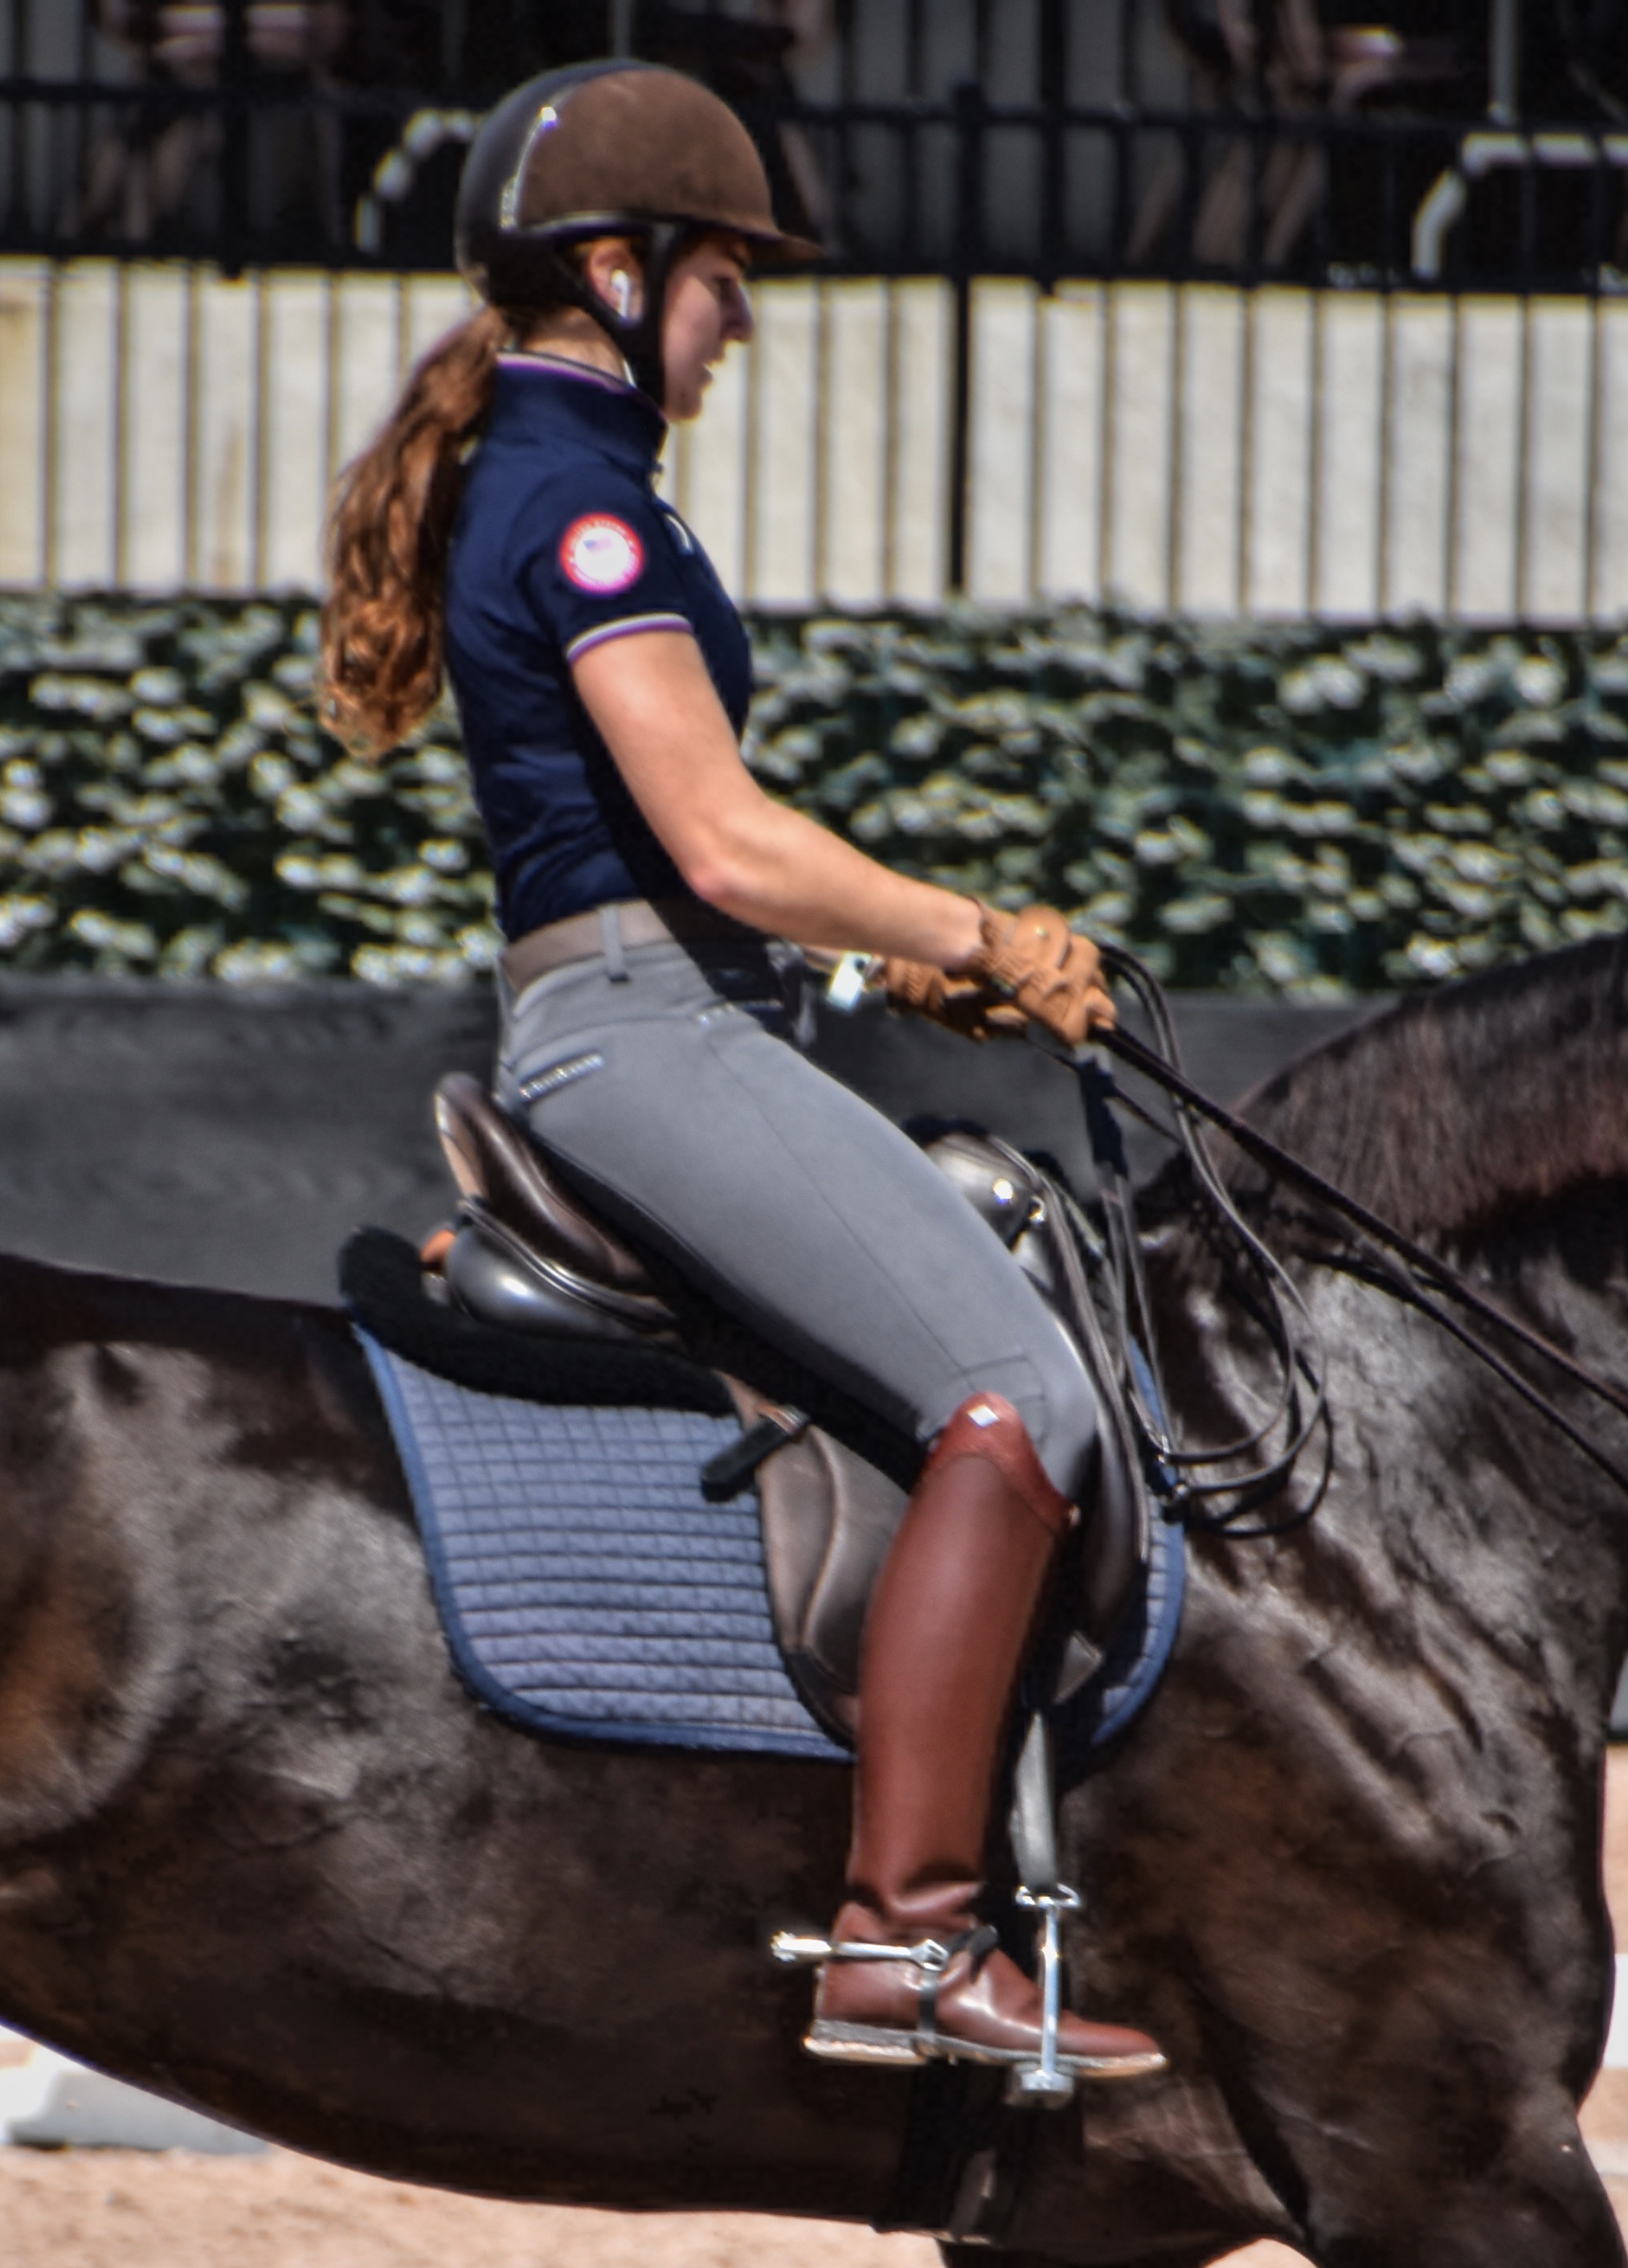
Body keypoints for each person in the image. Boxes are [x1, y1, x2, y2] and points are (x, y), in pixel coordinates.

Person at [316, 59, 1165, 2084]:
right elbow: (717, 839)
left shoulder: (555, 472)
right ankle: (907, 1940)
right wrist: (981, 932)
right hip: (642, 1029)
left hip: (687, 1002)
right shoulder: (585, 507)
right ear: (613, 272)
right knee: (1021, 1393)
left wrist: (876, 960)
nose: (745, 320)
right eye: (722, 278)